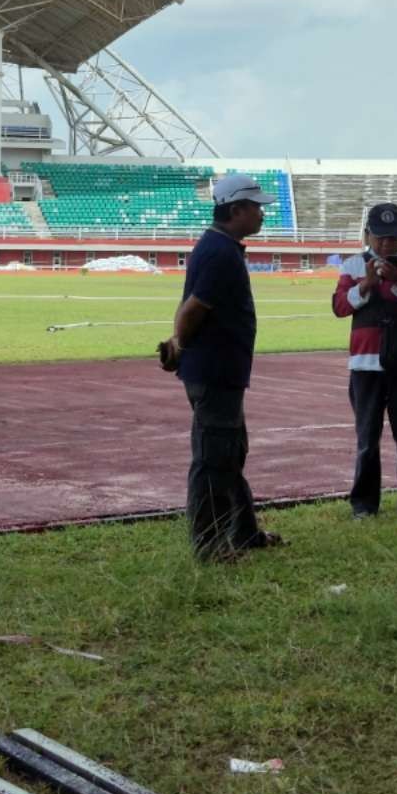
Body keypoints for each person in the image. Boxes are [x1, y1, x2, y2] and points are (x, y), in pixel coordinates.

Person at [160, 172, 283, 561]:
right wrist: (180, 342)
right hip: (214, 372)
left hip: (221, 372)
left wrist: (180, 343)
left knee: (230, 453)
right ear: (236, 210)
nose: (262, 214)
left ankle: (244, 532)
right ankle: (210, 546)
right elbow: (192, 310)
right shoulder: (220, 253)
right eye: (256, 208)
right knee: (213, 459)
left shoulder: (220, 247)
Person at [332, 202, 397, 520]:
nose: (385, 244)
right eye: (379, 237)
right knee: (367, 438)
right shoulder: (352, 266)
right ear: (368, 234)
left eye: (392, 238)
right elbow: (339, 307)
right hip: (365, 365)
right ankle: (364, 505)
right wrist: (366, 284)